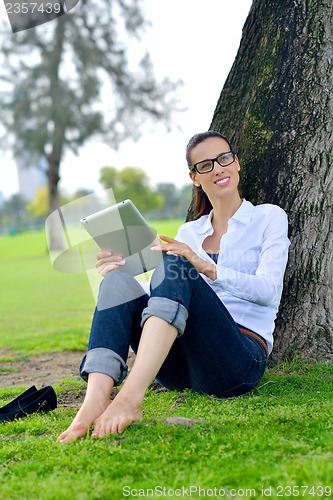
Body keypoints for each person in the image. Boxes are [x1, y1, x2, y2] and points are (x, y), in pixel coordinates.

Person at [57, 130, 290, 443]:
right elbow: (167, 300)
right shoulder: (189, 232)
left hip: (237, 359)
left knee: (178, 263)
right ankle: (95, 400)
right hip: (182, 368)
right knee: (117, 281)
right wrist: (120, 272)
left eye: (224, 159)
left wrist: (202, 264)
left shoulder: (268, 218)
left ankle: (129, 400)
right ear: (195, 178)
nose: (218, 168)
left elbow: (268, 291)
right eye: (206, 165)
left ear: (235, 163)